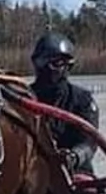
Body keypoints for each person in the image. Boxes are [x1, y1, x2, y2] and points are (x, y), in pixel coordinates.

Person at [29, 33, 99, 174]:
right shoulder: (25, 97)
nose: (46, 68)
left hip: (74, 172)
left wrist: (74, 156)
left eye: (55, 64)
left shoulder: (82, 99)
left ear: (68, 66)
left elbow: (89, 142)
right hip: (32, 172)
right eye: (42, 62)